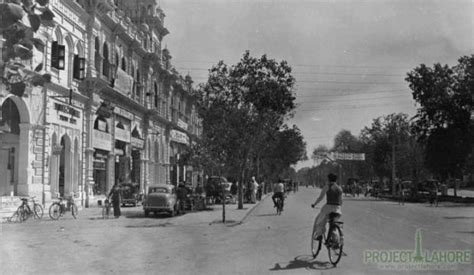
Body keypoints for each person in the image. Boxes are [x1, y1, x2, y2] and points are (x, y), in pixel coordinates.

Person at [311, 173, 343, 241]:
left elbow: (320, 197)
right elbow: (341, 202)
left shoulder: (327, 186)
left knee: (319, 222)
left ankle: (319, 235)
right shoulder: (339, 188)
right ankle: (335, 240)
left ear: (328, 179)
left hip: (328, 208)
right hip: (338, 210)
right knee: (333, 225)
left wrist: (314, 204)